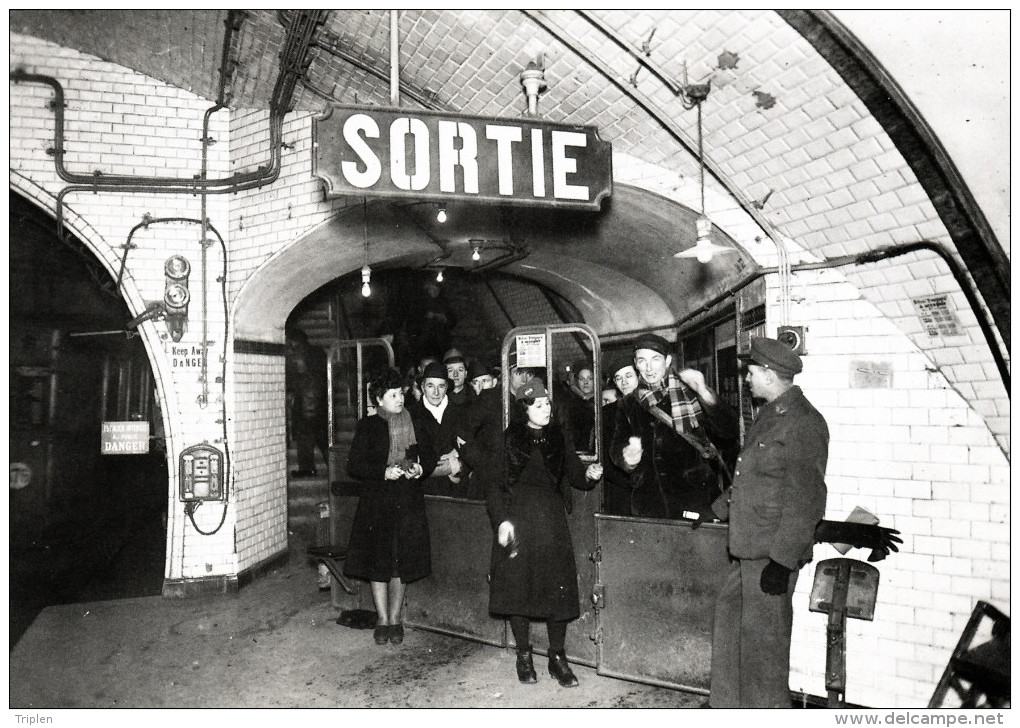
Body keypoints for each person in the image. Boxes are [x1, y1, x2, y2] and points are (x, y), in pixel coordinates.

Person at [699, 337, 902, 707]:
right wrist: (715, 509)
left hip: (769, 552)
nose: (746, 379)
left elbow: (806, 500)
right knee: (729, 630)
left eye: (751, 372)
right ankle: (725, 707)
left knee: (763, 649)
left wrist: (782, 560)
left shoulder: (804, 423)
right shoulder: (770, 414)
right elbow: (752, 480)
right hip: (746, 546)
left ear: (770, 375)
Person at [486, 378, 603, 688]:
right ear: (525, 409)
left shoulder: (558, 436)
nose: (546, 408)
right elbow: (494, 486)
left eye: (548, 403)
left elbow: (575, 474)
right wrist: (501, 521)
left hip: (551, 521)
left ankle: (557, 657)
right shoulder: (508, 438)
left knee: (556, 588)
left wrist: (589, 475)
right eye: (539, 405)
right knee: (518, 588)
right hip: (517, 520)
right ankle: (523, 654)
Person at [345, 369, 437, 646]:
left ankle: (395, 618)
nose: (399, 400)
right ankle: (382, 619)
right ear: (379, 399)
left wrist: (420, 468)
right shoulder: (368, 426)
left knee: (401, 561)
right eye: (393, 395)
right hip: (378, 502)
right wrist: (383, 472)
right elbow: (354, 466)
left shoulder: (416, 420)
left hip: (407, 500)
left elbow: (429, 457)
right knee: (379, 561)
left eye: (401, 394)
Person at [609, 334, 738, 520]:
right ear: (636, 364)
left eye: (655, 359)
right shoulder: (629, 403)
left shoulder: (690, 391)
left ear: (668, 360)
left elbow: (728, 430)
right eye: (642, 361)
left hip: (695, 501)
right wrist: (626, 458)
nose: (649, 368)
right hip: (650, 504)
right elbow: (616, 445)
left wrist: (704, 392)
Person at [407, 362, 463, 496]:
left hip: (456, 490)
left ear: (447, 387)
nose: (436, 392)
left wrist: (458, 465)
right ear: (422, 387)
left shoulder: (461, 412)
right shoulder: (409, 415)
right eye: (430, 386)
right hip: (421, 490)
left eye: (441, 386)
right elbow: (402, 457)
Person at [285, 328, 329, 477]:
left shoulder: (298, 355)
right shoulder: (318, 352)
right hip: (319, 402)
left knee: (306, 436)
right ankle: (334, 469)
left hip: (307, 403)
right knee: (322, 438)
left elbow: (298, 378)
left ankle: (307, 468)